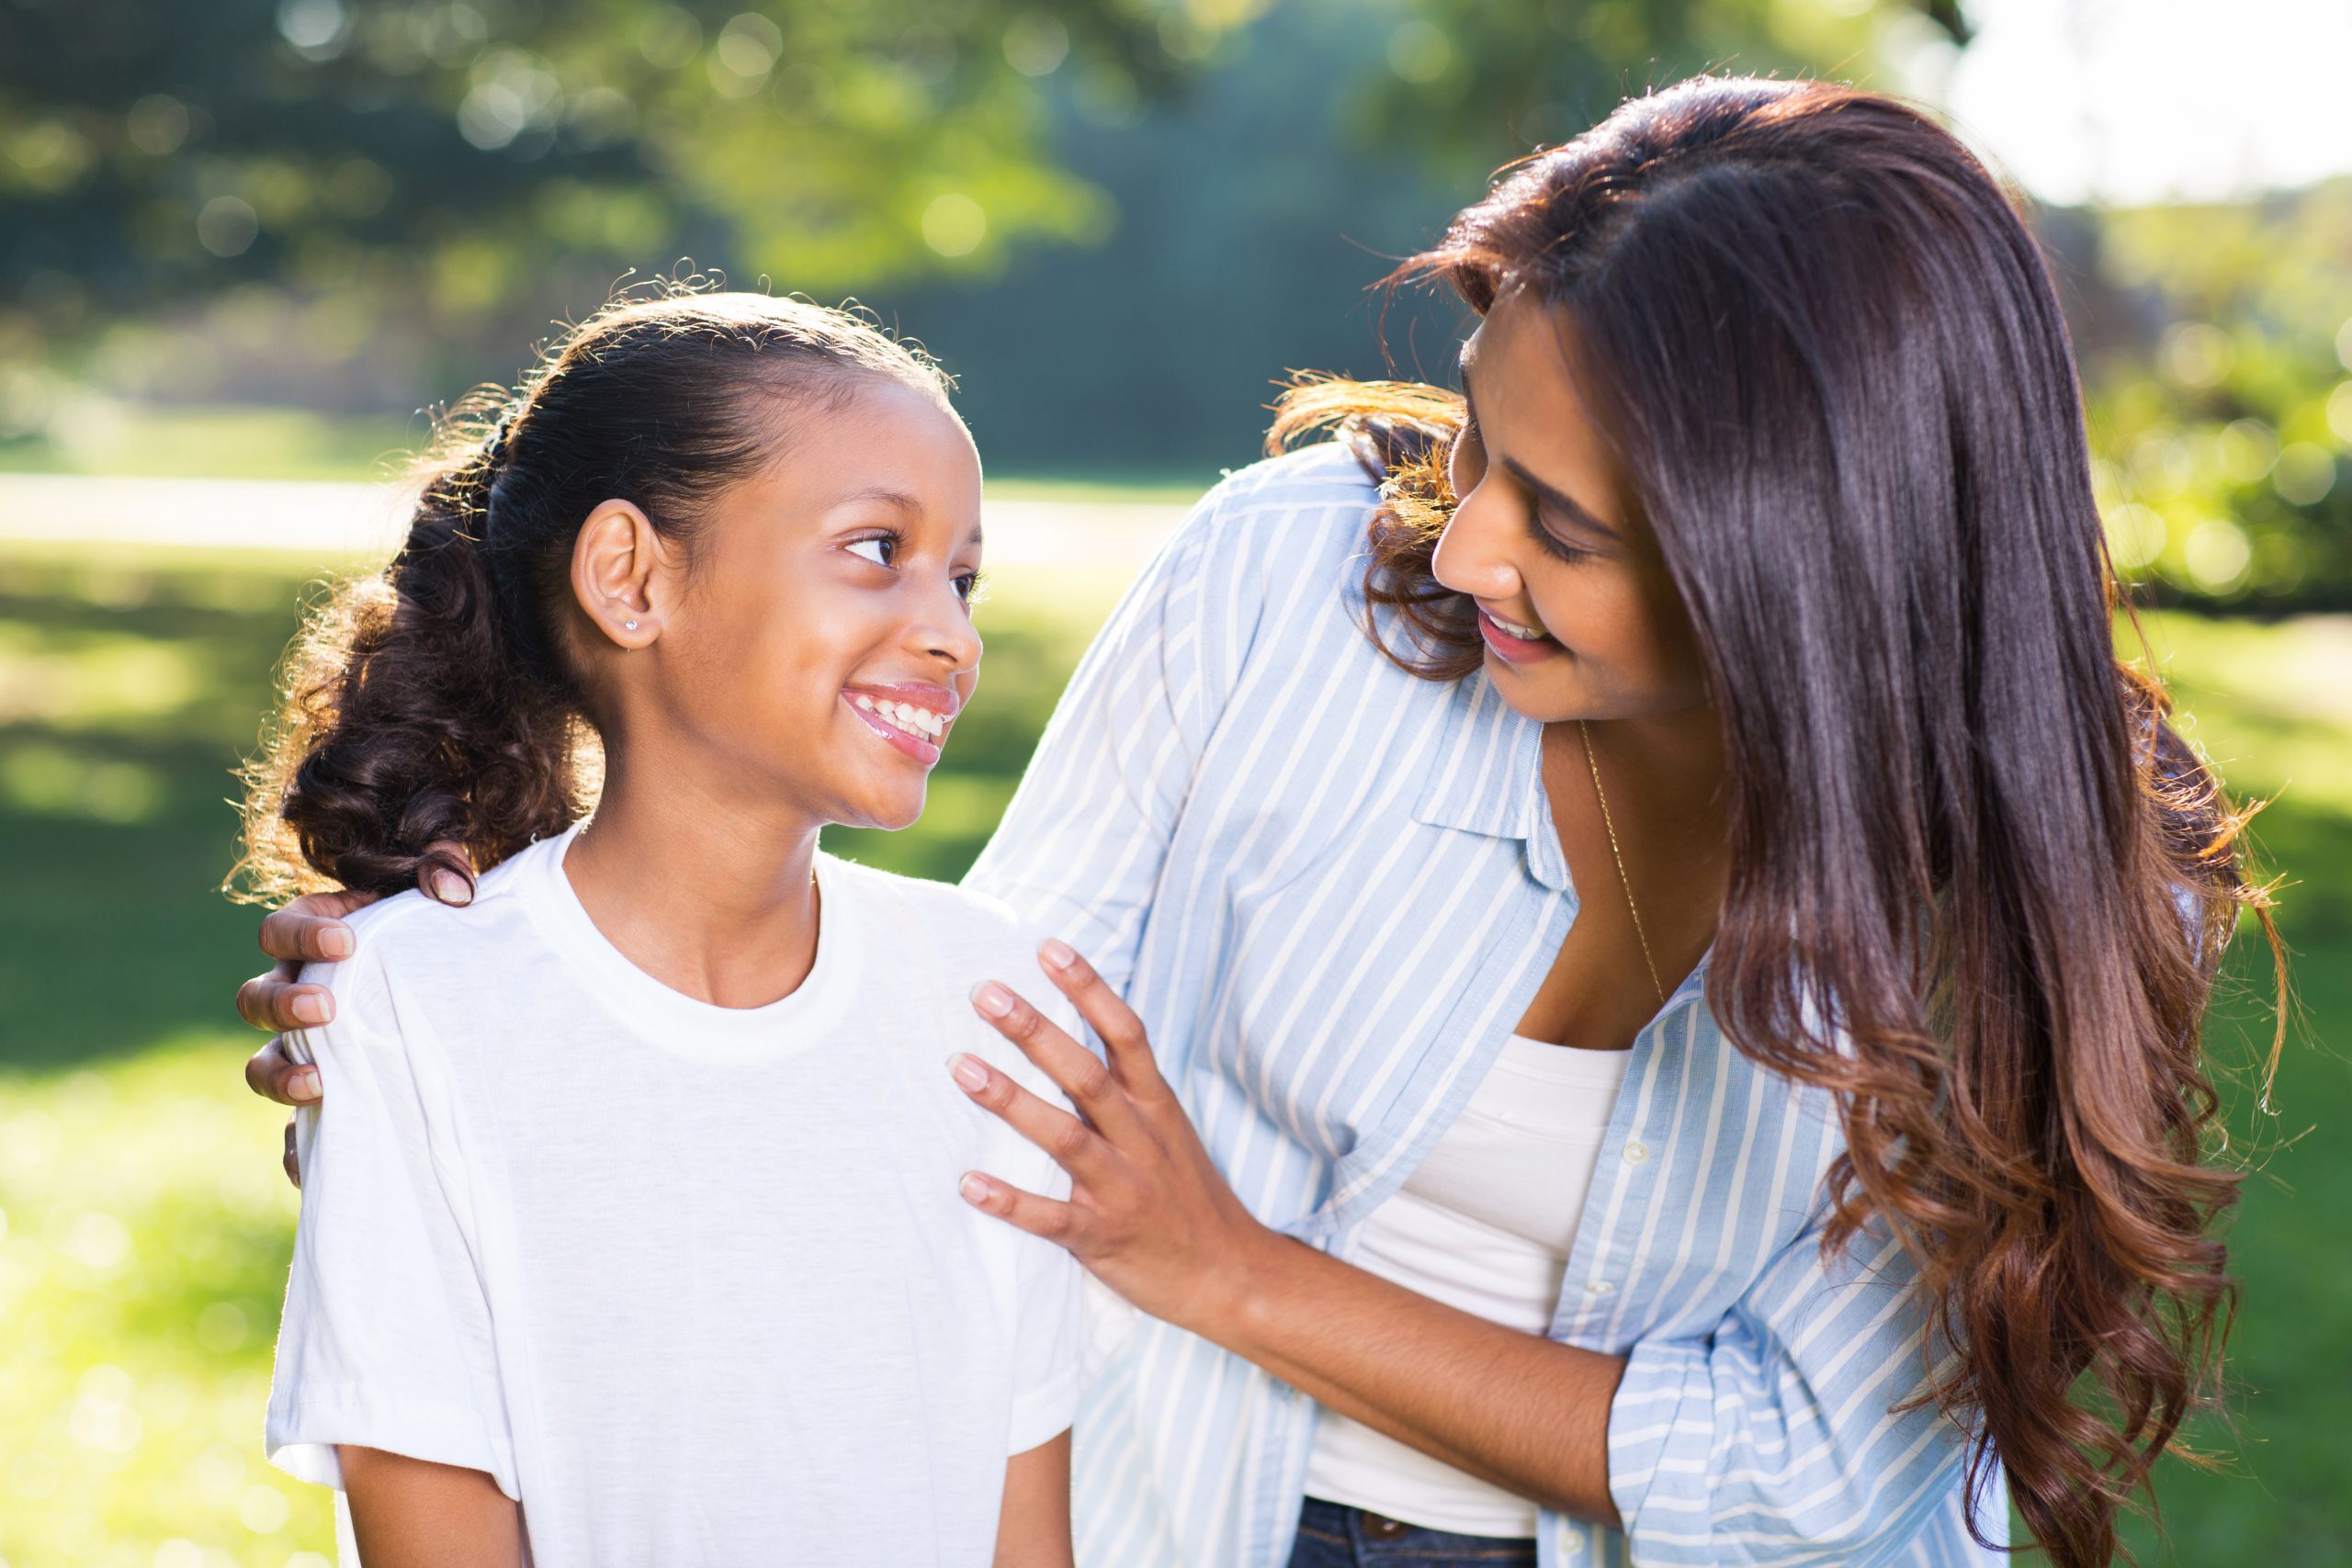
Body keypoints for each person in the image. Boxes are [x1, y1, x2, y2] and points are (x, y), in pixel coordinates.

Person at [237, 80, 2278, 1568]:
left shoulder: (2048, 894)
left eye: (1561, 522)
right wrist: (491, 1008)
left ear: (1797, 562)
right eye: (1480, 436)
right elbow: (965, 1071)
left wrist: (1225, 1262)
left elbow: (1808, 1470)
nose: (1459, 535)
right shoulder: (1289, 585)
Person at [236, 289, 1089, 1567]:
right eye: (876, 550)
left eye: (962, 577)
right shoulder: (409, 1008)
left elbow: (1028, 1535)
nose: (950, 635)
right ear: (631, 577)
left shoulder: (997, 999)